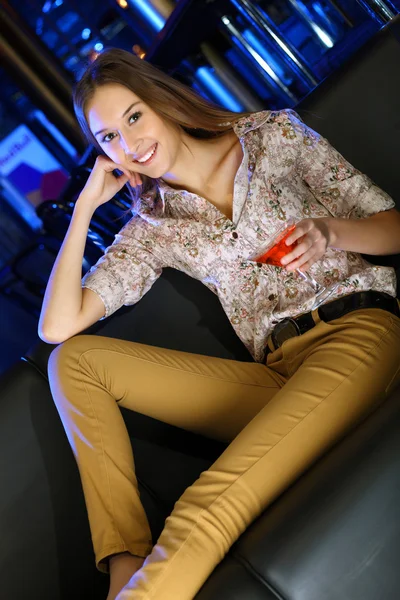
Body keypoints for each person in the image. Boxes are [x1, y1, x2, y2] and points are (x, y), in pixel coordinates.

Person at [39, 48, 400, 600]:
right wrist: (85, 206)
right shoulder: (154, 228)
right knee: (75, 364)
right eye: (108, 137)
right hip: (281, 376)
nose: (129, 142)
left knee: (204, 507)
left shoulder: (271, 135)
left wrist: (332, 233)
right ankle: (124, 560)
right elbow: (56, 327)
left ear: (159, 98)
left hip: (359, 335)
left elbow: (393, 224)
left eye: (133, 115)